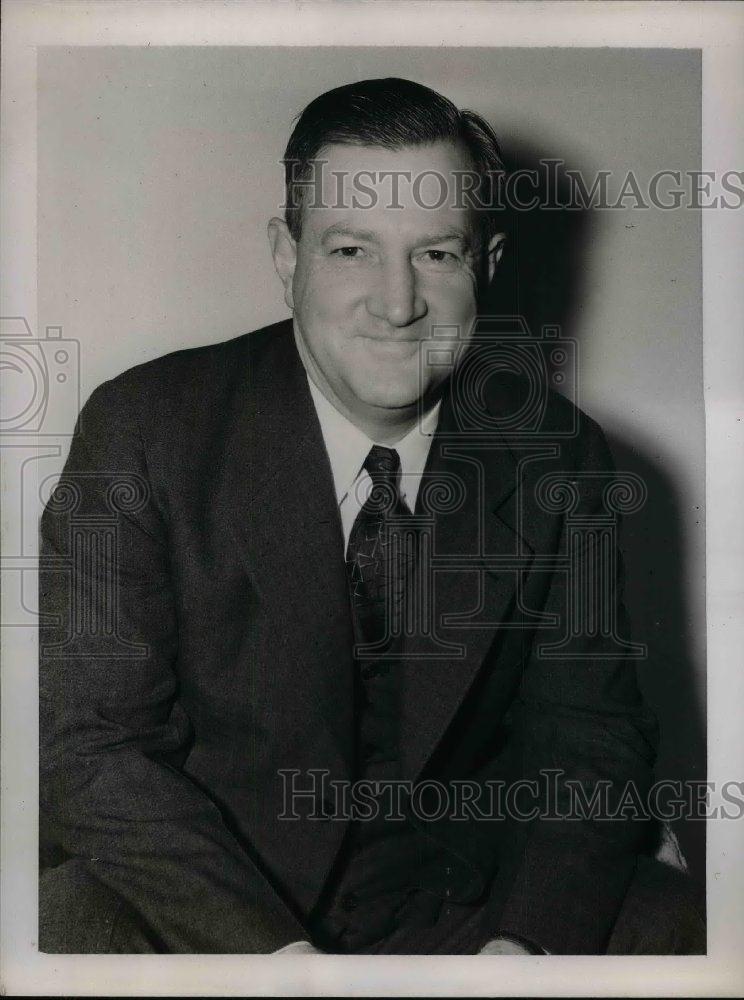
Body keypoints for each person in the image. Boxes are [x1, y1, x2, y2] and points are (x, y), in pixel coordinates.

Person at [38, 77, 705, 955]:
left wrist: (523, 951)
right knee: (65, 925)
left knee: (684, 929)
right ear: (287, 253)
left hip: (461, 902)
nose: (399, 305)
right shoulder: (144, 429)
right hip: (209, 901)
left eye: (438, 254)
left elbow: (590, 737)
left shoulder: (559, 453)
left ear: (489, 264)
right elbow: (96, 748)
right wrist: (274, 962)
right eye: (352, 250)